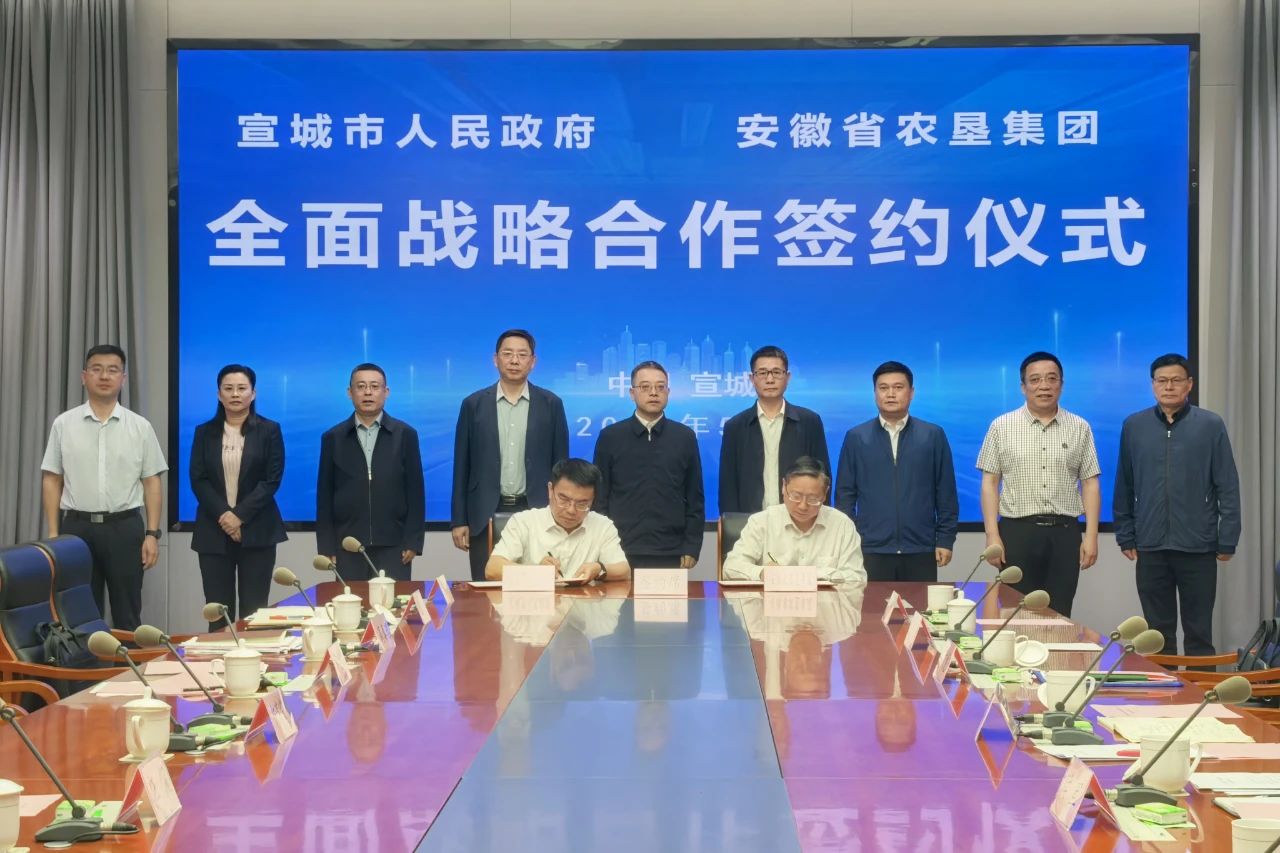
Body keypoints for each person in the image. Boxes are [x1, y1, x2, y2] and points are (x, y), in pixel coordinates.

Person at [1114, 353, 1241, 656]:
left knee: (1199, 632)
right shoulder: (1134, 426)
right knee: (1157, 634)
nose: (1168, 386)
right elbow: (1124, 484)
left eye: (1176, 380)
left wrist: (1228, 539)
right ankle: (1166, 686)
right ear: (1153, 385)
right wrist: (1125, 535)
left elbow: (1228, 485)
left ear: (1189, 384)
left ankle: (1200, 688)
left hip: (1198, 546)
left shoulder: (1210, 425)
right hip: (1151, 545)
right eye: (1162, 380)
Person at [40, 344, 167, 631]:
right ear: (84, 377)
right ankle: (87, 663)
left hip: (124, 528)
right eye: (96, 369)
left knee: (128, 613)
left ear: (123, 378)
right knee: (80, 614)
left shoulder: (140, 426)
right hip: (76, 529)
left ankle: (127, 662)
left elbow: (151, 481)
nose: (104, 376)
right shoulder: (64, 424)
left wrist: (152, 534)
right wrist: (54, 534)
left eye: (113, 370)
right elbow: (52, 478)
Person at [976, 351, 1100, 618]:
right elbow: (990, 482)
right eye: (1035, 380)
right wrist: (992, 534)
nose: (1044, 386)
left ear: (1061, 385)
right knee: (1014, 614)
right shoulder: (1001, 426)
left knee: (1059, 614)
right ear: (1023, 386)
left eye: (1051, 379)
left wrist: (1091, 536)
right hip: (1016, 533)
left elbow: (1090, 483)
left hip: (1064, 534)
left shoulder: (1080, 427)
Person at [452, 329, 569, 580]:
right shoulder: (473, 404)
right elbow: (462, 466)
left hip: (536, 511)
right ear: (495, 359)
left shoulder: (551, 404)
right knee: (487, 587)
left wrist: (559, 513)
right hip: (485, 514)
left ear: (533, 361)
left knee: (539, 587)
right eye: (507, 354)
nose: (514, 360)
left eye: (522, 355)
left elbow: (561, 466)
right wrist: (459, 520)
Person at [835, 361, 959, 582]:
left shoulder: (932, 435)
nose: (890, 394)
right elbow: (845, 495)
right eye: (883, 388)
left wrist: (945, 539)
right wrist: (849, 542)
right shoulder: (856, 437)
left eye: (898, 387)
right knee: (870, 605)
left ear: (911, 392)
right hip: (870, 549)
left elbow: (946, 492)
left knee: (920, 605)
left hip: (920, 548)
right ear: (875, 393)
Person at [189, 364, 288, 629]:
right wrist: (225, 516)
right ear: (219, 394)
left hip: (258, 530)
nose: (235, 394)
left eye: (242, 388)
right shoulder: (204, 432)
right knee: (218, 614)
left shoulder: (269, 430)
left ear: (253, 394)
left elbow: (271, 480)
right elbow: (198, 479)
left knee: (253, 613)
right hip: (213, 531)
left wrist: (240, 516)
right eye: (228, 388)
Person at [316, 363, 424, 581]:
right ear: (350, 392)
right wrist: (326, 545)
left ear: (386, 392)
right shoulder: (333, 438)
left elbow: (416, 492)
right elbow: (324, 495)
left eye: (374, 386)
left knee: (392, 602)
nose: (367, 392)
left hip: (394, 545)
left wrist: (413, 541)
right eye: (361, 386)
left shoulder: (405, 435)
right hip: (347, 545)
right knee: (350, 602)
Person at [593, 361, 704, 568]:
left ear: (668, 392)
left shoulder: (684, 437)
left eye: (660, 387)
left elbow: (694, 498)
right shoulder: (611, 436)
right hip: (618, 549)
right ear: (632, 393)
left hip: (671, 549)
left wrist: (692, 545)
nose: (654, 393)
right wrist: (600, 545)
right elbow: (599, 498)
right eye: (645, 387)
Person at [719, 345, 830, 514]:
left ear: (787, 377)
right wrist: (731, 522)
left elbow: (822, 477)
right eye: (762, 373)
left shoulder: (809, 422)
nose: (770, 379)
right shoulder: (735, 426)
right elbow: (728, 484)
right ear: (751, 378)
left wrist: (821, 518)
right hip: (751, 522)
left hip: (800, 518)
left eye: (776, 372)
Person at [722, 457, 866, 586]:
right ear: (783, 486)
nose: (803, 506)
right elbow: (731, 567)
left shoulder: (842, 525)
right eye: (796, 496)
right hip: (770, 605)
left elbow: (857, 577)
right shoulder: (762, 522)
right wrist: (762, 573)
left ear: (825, 493)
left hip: (826, 605)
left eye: (812, 499)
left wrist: (810, 575)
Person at [485, 458, 631, 582]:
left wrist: (599, 569)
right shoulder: (523, 522)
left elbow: (624, 570)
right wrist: (536, 572)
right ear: (550, 490)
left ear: (593, 500)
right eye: (564, 499)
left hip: (585, 604)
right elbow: (492, 569)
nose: (571, 510)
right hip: (536, 605)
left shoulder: (603, 526)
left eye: (582, 503)